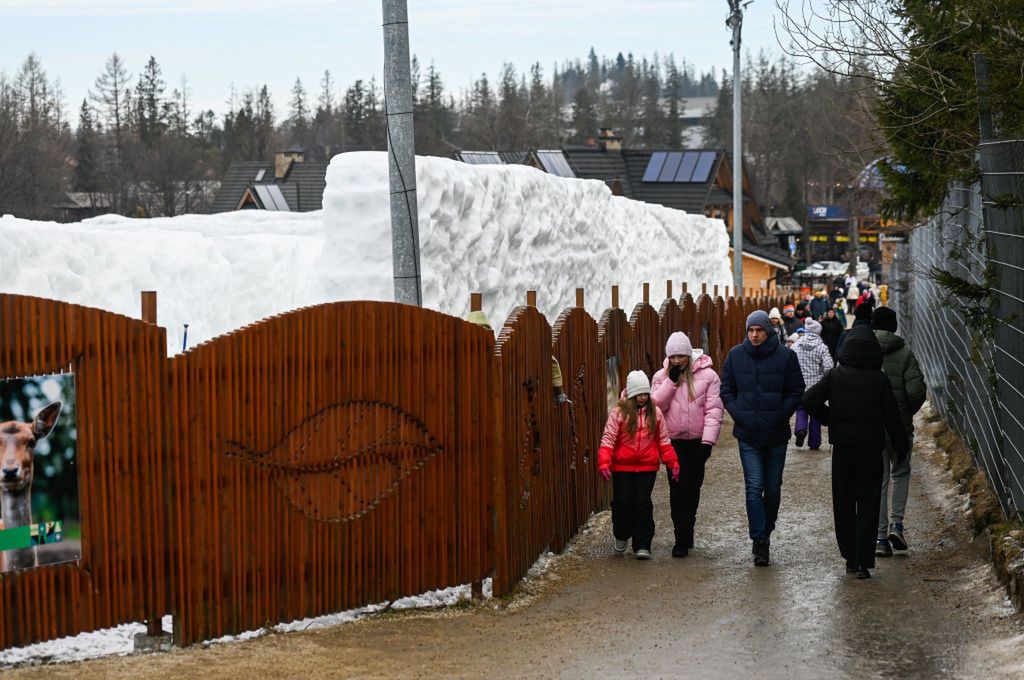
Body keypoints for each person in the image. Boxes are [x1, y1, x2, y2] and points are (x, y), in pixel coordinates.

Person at [802, 326, 909, 579]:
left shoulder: (836, 375)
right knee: (869, 504)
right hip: (871, 450)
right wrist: (901, 446)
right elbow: (892, 417)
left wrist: (830, 419)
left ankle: (850, 557)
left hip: (844, 451)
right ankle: (863, 562)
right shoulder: (879, 379)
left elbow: (808, 400)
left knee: (844, 503)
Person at [721, 310, 805, 566]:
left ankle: (766, 529)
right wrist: (739, 414)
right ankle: (760, 541)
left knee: (773, 489)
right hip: (748, 435)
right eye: (751, 330)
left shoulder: (786, 356)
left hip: (776, 434)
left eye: (759, 330)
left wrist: (781, 414)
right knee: (754, 487)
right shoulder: (736, 356)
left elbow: (795, 389)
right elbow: (727, 389)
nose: (755, 335)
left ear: (767, 330)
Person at [651, 332, 724, 557]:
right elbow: (655, 406)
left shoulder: (709, 376)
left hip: (697, 443)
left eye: (680, 356)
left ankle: (688, 526)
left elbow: (714, 410)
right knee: (677, 488)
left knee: (693, 488)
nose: (676, 361)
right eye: (672, 357)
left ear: (688, 355)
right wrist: (671, 381)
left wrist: (708, 441)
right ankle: (680, 537)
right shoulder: (661, 377)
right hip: (672, 442)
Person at [598, 370, 680, 560]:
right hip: (622, 467)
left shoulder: (655, 412)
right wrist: (604, 462)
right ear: (632, 394)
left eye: (646, 393)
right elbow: (608, 438)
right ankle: (621, 533)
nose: (643, 397)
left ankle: (642, 543)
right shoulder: (618, 413)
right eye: (639, 394)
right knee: (622, 502)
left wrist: (672, 462)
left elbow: (664, 441)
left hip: (647, 467)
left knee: (642, 503)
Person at [872, 307, 927, 557]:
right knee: (901, 472)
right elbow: (916, 392)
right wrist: (904, 412)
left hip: (873, 427)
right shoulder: (905, 354)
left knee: (880, 479)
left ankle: (880, 538)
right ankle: (897, 525)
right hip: (900, 428)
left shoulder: (866, 353)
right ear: (893, 327)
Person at [792, 319, 834, 450]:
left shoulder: (796, 345)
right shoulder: (822, 347)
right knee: (816, 413)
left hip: (799, 384)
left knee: (801, 409)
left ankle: (800, 429)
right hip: (816, 387)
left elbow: (790, 364)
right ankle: (814, 443)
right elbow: (828, 367)